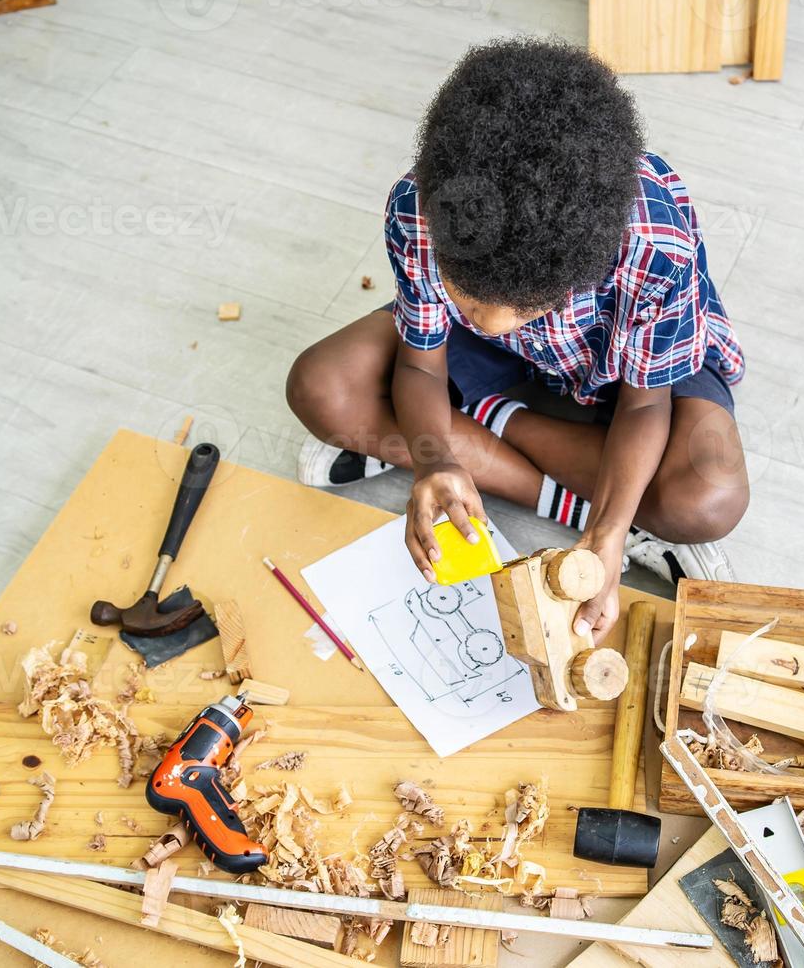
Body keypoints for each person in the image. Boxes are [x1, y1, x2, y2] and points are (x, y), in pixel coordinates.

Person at [288, 37, 748, 641]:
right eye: (466, 294)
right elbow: (423, 365)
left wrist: (603, 543)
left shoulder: (654, 243)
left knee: (706, 497)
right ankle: (586, 503)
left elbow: (645, 403)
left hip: (628, 368)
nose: (491, 324)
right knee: (321, 387)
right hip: (492, 366)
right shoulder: (425, 208)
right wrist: (434, 461)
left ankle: (488, 420)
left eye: (526, 309)